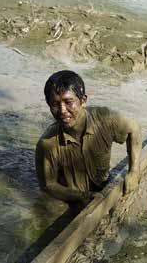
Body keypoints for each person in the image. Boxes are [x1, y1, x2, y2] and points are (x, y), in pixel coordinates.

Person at [35, 70, 141, 207]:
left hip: (102, 183)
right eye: (55, 104)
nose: (62, 110)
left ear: (83, 100)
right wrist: (81, 196)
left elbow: (134, 129)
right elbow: (48, 185)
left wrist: (134, 171)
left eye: (68, 102)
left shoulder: (105, 120)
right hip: (72, 198)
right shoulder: (47, 144)